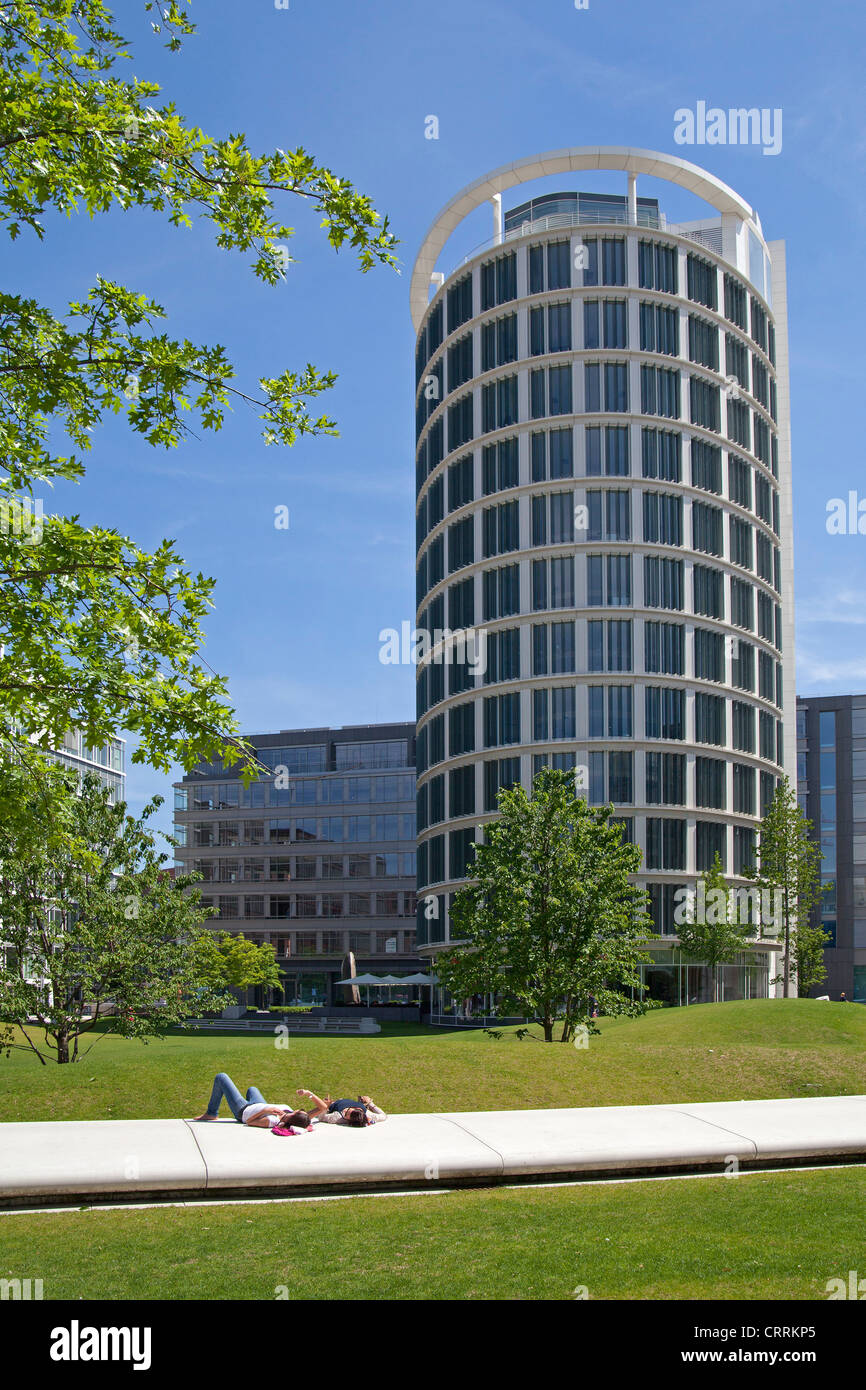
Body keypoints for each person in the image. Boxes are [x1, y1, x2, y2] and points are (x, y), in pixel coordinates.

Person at [195, 1072, 311, 1131]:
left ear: (295, 1116)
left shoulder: (271, 1120)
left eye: (300, 1111)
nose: (300, 1109)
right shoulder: (288, 1112)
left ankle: (212, 1113)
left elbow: (249, 1122)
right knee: (252, 1089)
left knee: (221, 1077)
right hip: (258, 1104)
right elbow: (316, 1113)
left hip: (243, 1110)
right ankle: (212, 1112)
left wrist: (265, 1110)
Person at [296, 1087, 387, 1127]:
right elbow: (383, 1116)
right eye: (348, 1110)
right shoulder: (367, 1114)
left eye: (346, 1114)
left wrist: (326, 1106)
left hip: (331, 1105)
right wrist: (370, 1104)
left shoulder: (337, 1117)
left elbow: (321, 1117)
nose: (345, 1111)